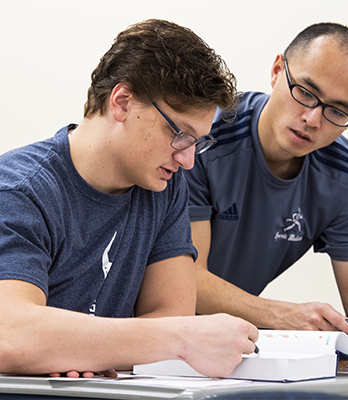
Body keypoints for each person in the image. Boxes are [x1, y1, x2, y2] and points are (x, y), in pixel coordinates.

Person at [0, 18, 259, 378]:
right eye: (180, 133)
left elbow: (172, 315)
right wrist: (134, 345)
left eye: (197, 143)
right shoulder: (18, 190)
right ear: (121, 102)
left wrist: (76, 349)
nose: (186, 159)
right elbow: (11, 336)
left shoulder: (164, 187)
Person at [183, 22, 348, 341]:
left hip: (232, 343)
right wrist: (281, 316)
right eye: (306, 93)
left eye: (338, 112)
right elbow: (188, 280)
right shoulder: (203, 140)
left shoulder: (344, 174)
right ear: (276, 70)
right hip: (149, 326)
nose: (312, 119)